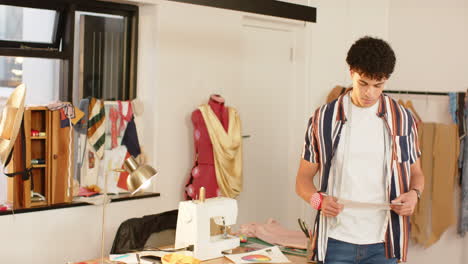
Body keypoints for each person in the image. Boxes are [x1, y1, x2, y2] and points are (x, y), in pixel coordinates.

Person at [295, 36, 424, 264]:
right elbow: (302, 182)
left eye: (379, 85)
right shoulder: (323, 119)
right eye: (363, 83)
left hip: (385, 244)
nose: (370, 93)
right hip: (335, 242)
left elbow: (417, 174)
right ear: (351, 72)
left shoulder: (403, 119)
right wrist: (319, 201)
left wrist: (415, 195)